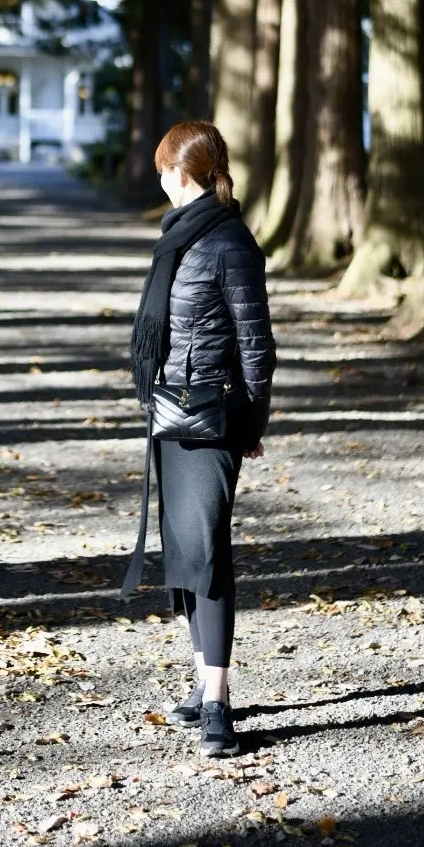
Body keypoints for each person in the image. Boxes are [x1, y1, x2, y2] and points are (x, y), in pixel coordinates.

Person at [122, 120, 276, 758]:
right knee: (184, 552)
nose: (159, 178)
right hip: (169, 415)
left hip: (213, 419)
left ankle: (218, 702)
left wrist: (252, 423)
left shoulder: (230, 241)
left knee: (209, 552)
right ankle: (199, 679)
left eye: (163, 168)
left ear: (182, 173)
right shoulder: (177, 236)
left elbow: (256, 344)